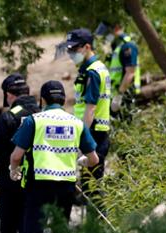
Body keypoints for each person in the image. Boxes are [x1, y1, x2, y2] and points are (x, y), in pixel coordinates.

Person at [9, 80, 99, 233]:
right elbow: (94, 159)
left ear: (42, 100)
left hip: (38, 184)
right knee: (62, 232)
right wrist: (81, 162)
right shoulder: (77, 124)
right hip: (66, 186)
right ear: (64, 100)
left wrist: (13, 170)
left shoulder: (34, 121)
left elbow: (16, 155)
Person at [0, 73, 40, 233]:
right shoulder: (41, 112)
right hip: (36, 180)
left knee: (9, 230)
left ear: (9, 95)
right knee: (29, 230)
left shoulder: (9, 116)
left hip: (11, 180)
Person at [63, 28, 112, 205]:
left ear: (87, 47)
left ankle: (99, 229)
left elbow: (90, 110)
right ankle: (94, 230)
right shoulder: (93, 68)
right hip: (96, 134)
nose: (71, 53)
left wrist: (83, 141)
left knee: (92, 190)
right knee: (90, 188)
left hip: (94, 136)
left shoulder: (92, 72)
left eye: (74, 49)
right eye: (69, 49)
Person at [100, 22, 141, 118]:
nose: (106, 36)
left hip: (125, 94)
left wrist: (119, 95)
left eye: (108, 32)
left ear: (116, 28)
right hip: (116, 92)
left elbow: (130, 73)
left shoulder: (127, 46)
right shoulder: (118, 46)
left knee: (125, 124)